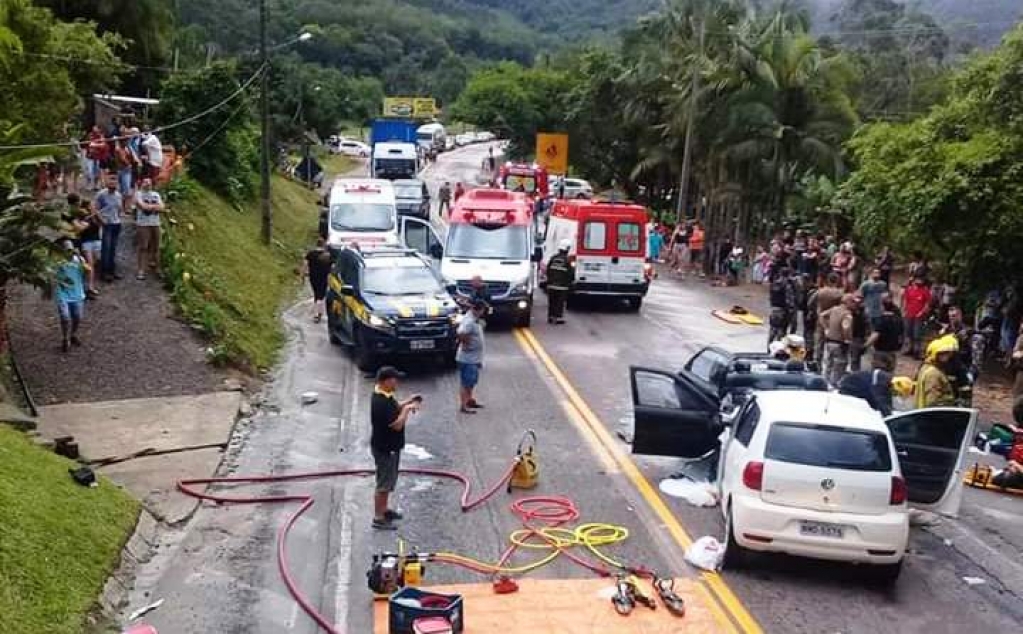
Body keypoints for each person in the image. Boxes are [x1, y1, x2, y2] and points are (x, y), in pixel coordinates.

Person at [370, 366, 421, 530]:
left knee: (389, 481)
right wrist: (407, 410)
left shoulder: (384, 395)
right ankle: (378, 517)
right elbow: (397, 425)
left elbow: (394, 408)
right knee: (384, 483)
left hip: (390, 447)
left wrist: (407, 401)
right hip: (385, 448)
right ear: (386, 381)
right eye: (394, 379)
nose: (397, 382)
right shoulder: (380, 403)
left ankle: (384, 510)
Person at [53, 239, 88, 353]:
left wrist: (80, 259)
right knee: (65, 316)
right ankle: (65, 338)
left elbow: (87, 272)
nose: (69, 252)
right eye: (66, 249)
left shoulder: (79, 260)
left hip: (77, 293)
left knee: (77, 317)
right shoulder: (58, 261)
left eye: (70, 249)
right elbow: (52, 274)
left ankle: (73, 334)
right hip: (62, 293)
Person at [456, 299, 487, 414]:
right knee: (466, 382)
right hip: (468, 358)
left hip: (474, 357)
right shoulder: (469, 321)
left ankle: (469, 400)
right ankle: (464, 405)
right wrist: (466, 344)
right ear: (478, 310)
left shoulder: (474, 319)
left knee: (472, 381)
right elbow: (461, 333)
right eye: (482, 310)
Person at [819, 293, 855, 386]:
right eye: (853, 302)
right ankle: (834, 385)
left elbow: (822, 315)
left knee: (828, 364)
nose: (854, 304)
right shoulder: (847, 314)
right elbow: (846, 327)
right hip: (840, 344)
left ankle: (824, 383)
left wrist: (826, 328)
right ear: (847, 302)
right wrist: (847, 339)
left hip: (829, 341)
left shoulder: (834, 309)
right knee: (839, 366)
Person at [93, 175, 123, 282]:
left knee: (113, 248)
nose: (113, 185)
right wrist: (101, 221)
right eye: (111, 183)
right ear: (106, 183)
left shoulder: (119, 195)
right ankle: (104, 272)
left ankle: (112, 269)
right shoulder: (101, 194)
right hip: (107, 224)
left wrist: (119, 217)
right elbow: (95, 209)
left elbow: (120, 208)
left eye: (115, 183)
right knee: (106, 248)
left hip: (116, 223)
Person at [915, 335, 958, 408]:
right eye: (943, 353)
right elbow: (932, 402)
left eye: (947, 353)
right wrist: (951, 402)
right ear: (935, 354)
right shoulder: (933, 373)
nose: (947, 356)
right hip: (931, 415)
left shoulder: (926, 367)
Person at [134, 177, 163, 280]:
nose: (147, 184)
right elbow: (142, 206)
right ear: (142, 183)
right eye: (145, 182)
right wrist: (154, 207)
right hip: (143, 224)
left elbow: (162, 207)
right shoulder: (138, 194)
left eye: (149, 182)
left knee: (156, 247)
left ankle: (157, 268)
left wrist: (150, 206)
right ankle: (141, 270)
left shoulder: (156, 194)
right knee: (143, 247)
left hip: (156, 223)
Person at [814, 273, 845, 368]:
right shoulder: (840, 293)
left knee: (820, 341)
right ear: (837, 280)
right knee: (834, 341)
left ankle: (818, 361)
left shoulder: (821, 291)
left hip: (821, 317)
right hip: (834, 320)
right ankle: (830, 363)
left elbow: (810, 302)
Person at [74, 196, 102, 299]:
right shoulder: (81, 216)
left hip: (96, 241)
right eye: (91, 205)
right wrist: (84, 222)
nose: (93, 207)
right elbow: (77, 230)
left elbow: (103, 224)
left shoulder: (95, 215)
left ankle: (88, 284)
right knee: (90, 265)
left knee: (93, 264)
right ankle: (89, 287)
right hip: (86, 242)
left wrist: (97, 215)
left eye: (93, 205)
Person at [867, 294, 903, 372]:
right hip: (892, 352)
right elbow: (901, 335)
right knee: (889, 375)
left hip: (881, 351)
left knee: (877, 374)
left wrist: (865, 346)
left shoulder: (882, 320)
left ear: (883, 307)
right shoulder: (898, 319)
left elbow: (876, 335)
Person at [901, 273, 932, 358]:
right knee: (908, 332)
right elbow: (905, 300)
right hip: (909, 314)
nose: (919, 281)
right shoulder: (909, 289)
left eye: (921, 280)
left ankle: (917, 351)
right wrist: (904, 311)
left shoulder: (925, 290)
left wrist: (922, 312)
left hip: (919, 316)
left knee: (917, 334)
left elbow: (927, 304)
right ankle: (909, 348)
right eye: (918, 279)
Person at [304, 237, 332, 323]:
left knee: (316, 294)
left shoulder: (310, 254)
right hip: (323, 277)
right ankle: (317, 314)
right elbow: (331, 268)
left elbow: (305, 264)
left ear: (316, 244)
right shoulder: (327, 255)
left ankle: (318, 313)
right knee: (321, 295)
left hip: (313, 277)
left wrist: (304, 274)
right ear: (323, 245)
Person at [546, 239, 574, 324]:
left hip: (551, 285)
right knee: (559, 302)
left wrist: (550, 280)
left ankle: (550, 317)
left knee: (552, 302)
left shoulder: (553, 258)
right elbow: (570, 273)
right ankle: (558, 318)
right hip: (562, 286)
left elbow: (548, 270)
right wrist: (570, 283)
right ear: (567, 249)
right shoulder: (567, 261)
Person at [768, 267, 796, 345]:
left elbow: (771, 297)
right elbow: (789, 300)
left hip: (774, 309)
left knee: (772, 330)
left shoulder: (774, 284)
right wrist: (791, 310)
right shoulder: (787, 285)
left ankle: (769, 347)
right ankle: (779, 349)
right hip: (783, 311)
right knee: (781, 330)